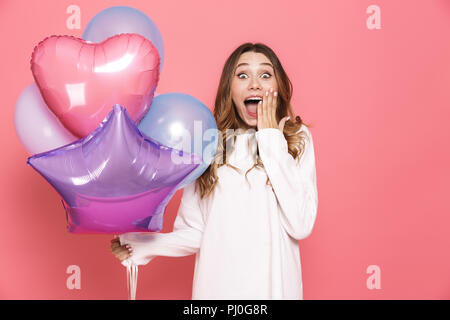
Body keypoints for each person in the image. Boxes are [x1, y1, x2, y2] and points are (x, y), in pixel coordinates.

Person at [110, 42, 318, 300]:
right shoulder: (207, 143)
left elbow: (300, 224)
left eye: (265, 75)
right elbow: (197, 231)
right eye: (242, 75)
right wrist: (142, 245)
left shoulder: (295, 139)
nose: (255, 84)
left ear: (278, 87)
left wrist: (271, 139)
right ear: (229, 89)